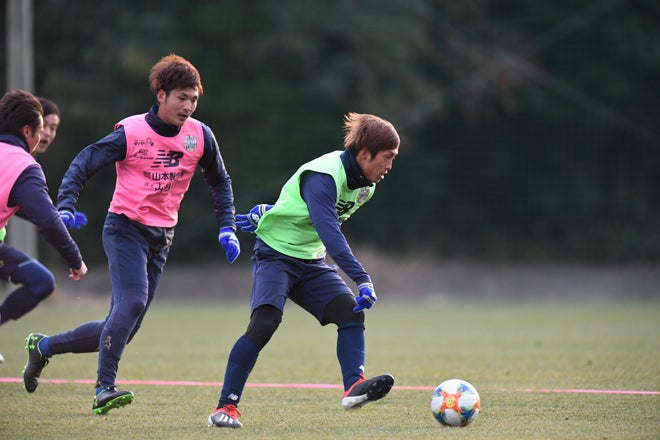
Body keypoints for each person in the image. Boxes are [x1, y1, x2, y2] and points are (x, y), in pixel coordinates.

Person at [22, 54, 241, 415]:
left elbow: (220, 181)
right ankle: (103, 388)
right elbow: (84, 162)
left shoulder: (200, 135)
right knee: (133, 303)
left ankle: (43, 347)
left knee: (122, 326)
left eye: (193, 99)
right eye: (181, 98)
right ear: (161, 94)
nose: (188, 106)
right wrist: (65, 204)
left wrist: (227, 226)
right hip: (125, 229)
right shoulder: (132, 133)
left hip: (162, 236)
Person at [208, 112, 400, 429]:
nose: (390, 165)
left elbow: (309, 215)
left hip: (311, 261)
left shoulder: (366, 188)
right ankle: (225, 407)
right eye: (387, 157)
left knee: (350, 312)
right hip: (275, 255)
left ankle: (354, 387)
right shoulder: (324, 175)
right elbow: (329, 231)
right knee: (265, 323)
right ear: (366, 153)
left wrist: (273, 211)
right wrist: (362, 278)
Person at [0, 90, 88, 360]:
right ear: (28, 130)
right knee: (42, 281)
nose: (45, 135)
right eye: (42, 128)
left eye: (53, 128)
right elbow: (47, 221)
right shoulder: (22, 166)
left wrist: (53, 215)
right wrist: (75, 259)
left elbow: (37, 213)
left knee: (41, 280)